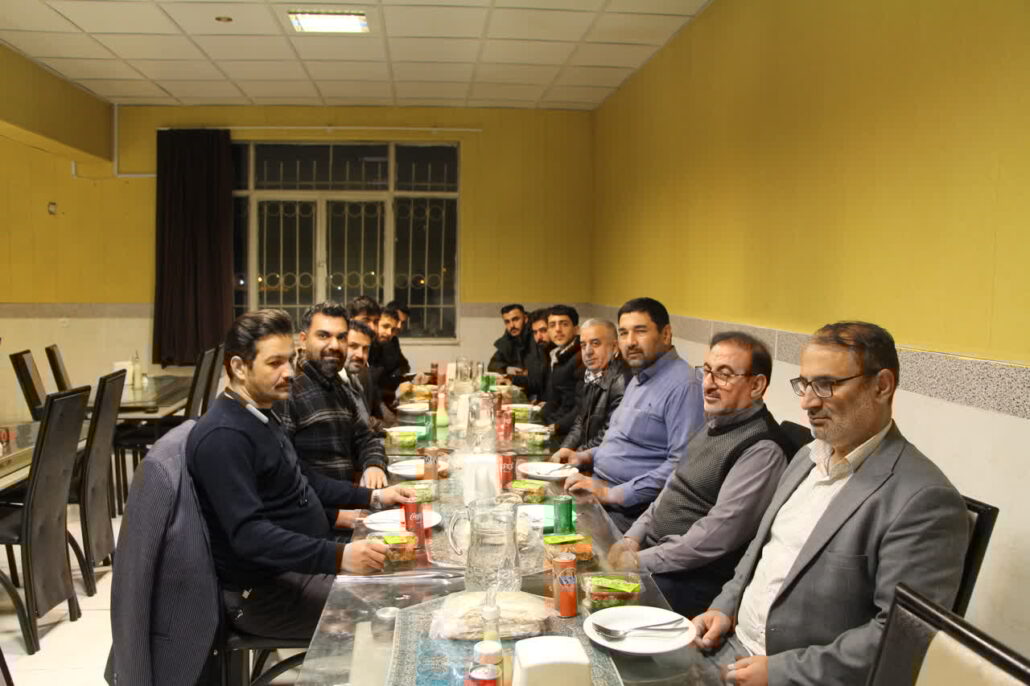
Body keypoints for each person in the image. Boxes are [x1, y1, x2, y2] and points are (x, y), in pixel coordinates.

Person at [691, 321, 969, 685]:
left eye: (826, 385)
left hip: (793, 674)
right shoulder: (807, 457)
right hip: (728, 645)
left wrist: (781, 672)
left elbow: (901, 636)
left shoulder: (924, 501)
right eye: (805, 384)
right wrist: (724, 606)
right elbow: (760, 550)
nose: (807, 401)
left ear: (882, 386)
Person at [187, 309, 415, 640]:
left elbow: (307, 481)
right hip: (264, 594)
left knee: (410, 576)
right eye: (274, 363)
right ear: (238, 367)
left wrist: (374, 496)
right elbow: (250, 536)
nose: (289, 372)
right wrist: (339, 557)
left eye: (290, 360)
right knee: (400, 611)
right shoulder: (224, 435)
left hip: (302, 565)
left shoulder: (260, 414)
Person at [607, 332, 792, 618]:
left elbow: (714, 538)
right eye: (706, 371)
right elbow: (671, 489)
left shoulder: (762, 449)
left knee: (595, 605)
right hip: (656, 557)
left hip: (690, 580)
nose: (708, 383)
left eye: (724, 375)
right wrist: (632, 537)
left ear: (756, 385)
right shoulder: (715, 422)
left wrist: (638, 561)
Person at [564, 297, 705, 532]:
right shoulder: (640, 375)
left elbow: (681, 466)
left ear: (666, 334)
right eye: (623, 333)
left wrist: (612, 493)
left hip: (629, 513)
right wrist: (583, 456)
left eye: (640, 331)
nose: (630, 342)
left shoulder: (684, 386)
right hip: (596, 490)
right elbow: (625, 443)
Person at [278, 302, 388, 490]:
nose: (335, 345)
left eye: (341, 337)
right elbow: (288, 475)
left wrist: (374, 465)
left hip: (349, 495)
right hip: (320, 504)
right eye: (323, 336)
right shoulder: (288, 391)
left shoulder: (338, 385)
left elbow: (365, 438)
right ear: (303, 340)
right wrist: (355, 500)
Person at [551, 318, 630, 458]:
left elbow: (607, 435)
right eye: (583, 345)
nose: (587, 352)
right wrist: (565, 448)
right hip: (587, 457)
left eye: (595, 343)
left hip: (603, 461)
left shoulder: (622, 381)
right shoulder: (592, 374)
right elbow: (580, 422)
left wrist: (576, 455)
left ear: (615, 347)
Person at [538, 305, 584, 440]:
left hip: (568, 432)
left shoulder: (581, 356)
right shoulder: (555, 353)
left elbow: (579, 407)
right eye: (552, 325)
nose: (558, 329)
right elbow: (555, 398)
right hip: (554, 421)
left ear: (576, 329)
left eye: (564, 324)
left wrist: (555, 427)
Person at [339, 319, 388, 430]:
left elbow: (365, 421)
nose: (360, 355)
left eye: (365, 349)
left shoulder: (354, 379)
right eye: (353, 346)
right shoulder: (334, 384)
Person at [511, 308, 552, 399]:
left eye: (543, 330)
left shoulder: (559, 354)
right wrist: (511, 379)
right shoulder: (542, 349)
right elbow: (537, 382)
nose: (539, 337)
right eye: (535, 332)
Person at [375, 305, 411, 406]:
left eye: (392, 329)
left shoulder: (392, 340)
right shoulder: (368, 346)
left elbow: (405, 365)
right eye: (385, 326)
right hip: (378, 401)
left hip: (388, 398)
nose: (389, 333)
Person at [488, 304, 533, 375]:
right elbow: (492, 365)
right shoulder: (508, 338)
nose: (511, 326)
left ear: (525, 319)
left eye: (515, 319)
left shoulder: (537, 335)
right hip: (517, 380)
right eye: (507, 322)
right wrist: (506, 369)